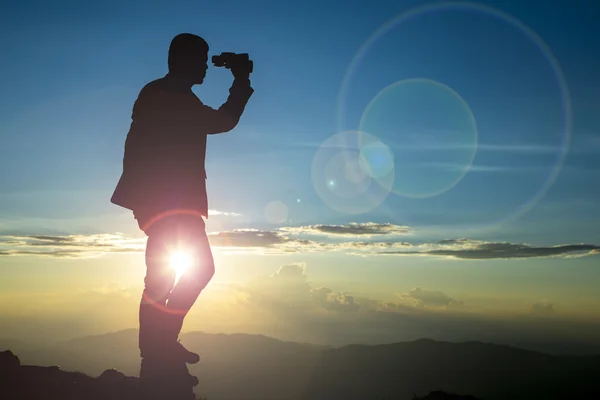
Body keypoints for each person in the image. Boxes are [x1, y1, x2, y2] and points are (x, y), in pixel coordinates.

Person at [110, 33, 254, 363]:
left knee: (169, 276)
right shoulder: (168, 97)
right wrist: (241, 80)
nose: (205, 68)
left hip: (167, 203)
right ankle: (157, 348)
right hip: (166, 204)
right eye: (201, 61)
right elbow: (223, 121)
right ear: (183, 61)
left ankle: (160, 344)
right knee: (178, 275)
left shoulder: (166, 95)